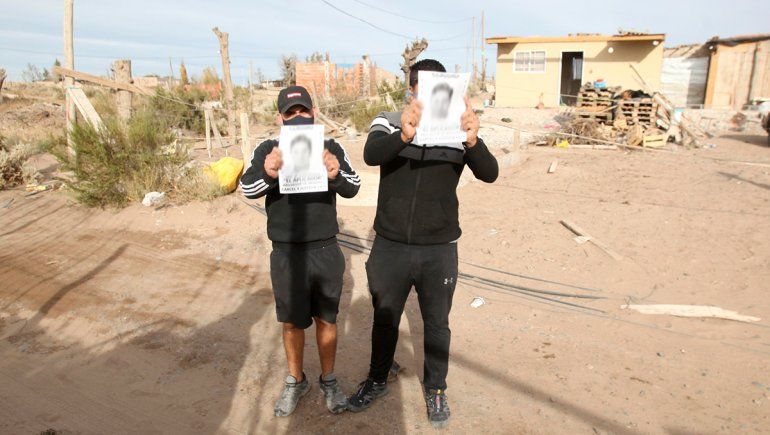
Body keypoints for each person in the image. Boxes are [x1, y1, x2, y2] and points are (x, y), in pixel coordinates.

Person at [347, 59, 498, 428]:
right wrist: (403, 134)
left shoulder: (460, 127)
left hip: (439, 247)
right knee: (385, 319)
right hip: (390, 245)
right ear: (410, 89)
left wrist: (474, 140)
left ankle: (436, 388)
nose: (426, 94)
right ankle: (378, 379)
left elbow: (490, 173)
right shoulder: (388, 119)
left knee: (436, 323)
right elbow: (370, 156)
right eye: (420, 87)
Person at [240, 85, 361, 417]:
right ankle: (296, 380)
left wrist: (334, 173)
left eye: (302, 111)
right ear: (280, 117)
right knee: (292, 323)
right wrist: (268, 172)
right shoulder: (269, 148)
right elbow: (247, 187)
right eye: (290, 113)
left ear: (314, 112)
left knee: (327, 319)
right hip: (286, 253)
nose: (297, 117)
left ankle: (329, 380)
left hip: (325, 249)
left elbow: (354, 186)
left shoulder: (330, 146)